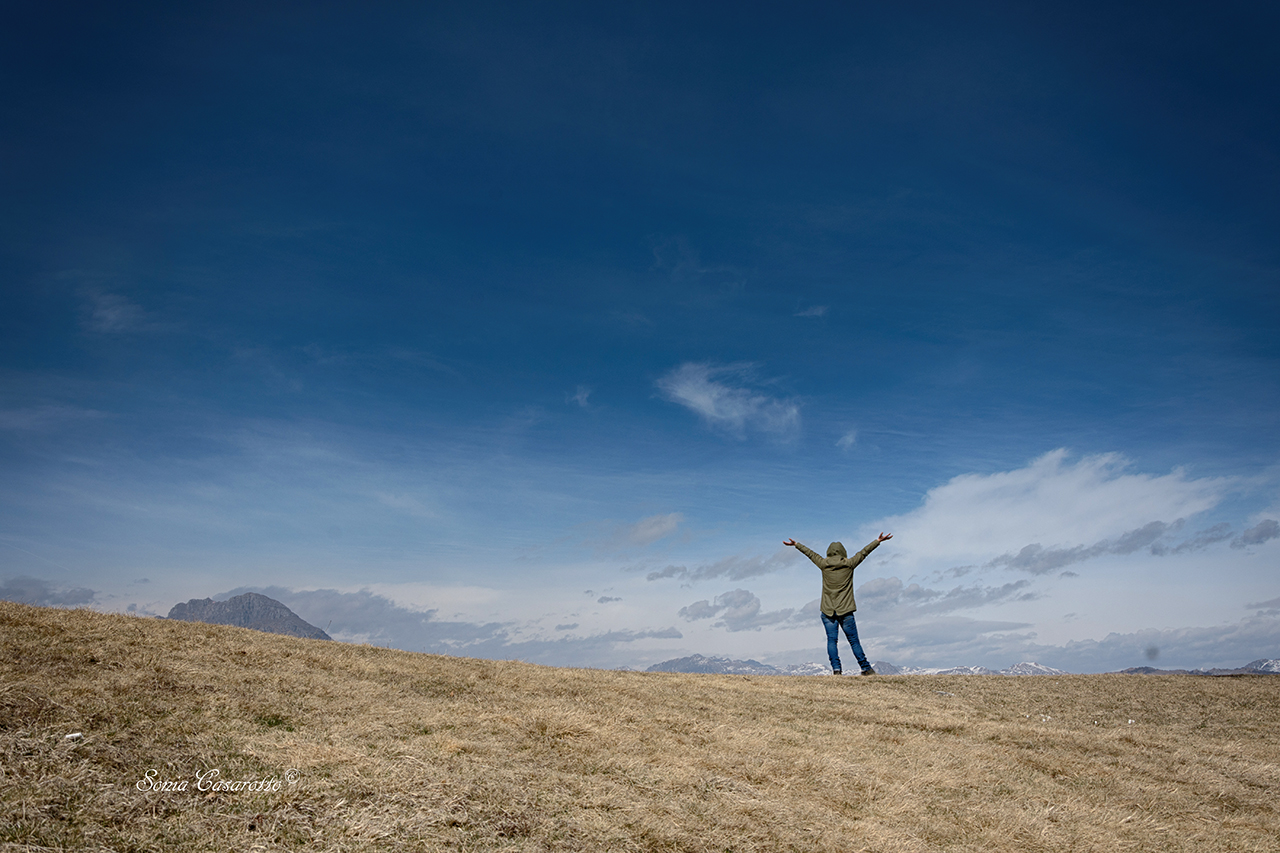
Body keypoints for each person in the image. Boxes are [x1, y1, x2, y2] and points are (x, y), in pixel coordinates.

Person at [783, 532, 892, 676]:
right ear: (843, 552)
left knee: (832, 641)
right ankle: (865, 668)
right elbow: (864, 552)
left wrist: (797, 545)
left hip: (828, 611)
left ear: (828, 552)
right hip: (846, 611)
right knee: (854, 641)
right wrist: (877, 541)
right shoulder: (849, 564)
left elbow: (810, 554)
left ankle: (836, 670)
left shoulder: (823, 564)